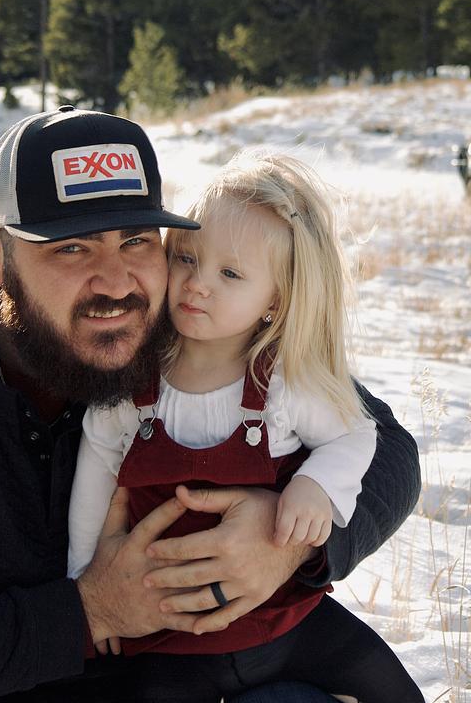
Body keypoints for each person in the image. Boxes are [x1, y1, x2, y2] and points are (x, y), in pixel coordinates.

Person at [0, 106, 421, 703]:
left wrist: (284, 544)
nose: (116, 283)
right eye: (71, 247)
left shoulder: (180, 318)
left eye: (136, 239)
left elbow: (384, 444)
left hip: (192, 668)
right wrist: (91, 612)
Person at [68, 152, 423, 701]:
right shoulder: (132, 385)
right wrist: (86, 585)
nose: (197, 284)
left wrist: (317, 486)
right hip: (170, 637)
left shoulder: (284, 382)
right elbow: (95, 469)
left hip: (285, 619)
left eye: (230, 273)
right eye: (187, 258)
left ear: (275, 299)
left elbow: (356, 434)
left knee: (387, 685)